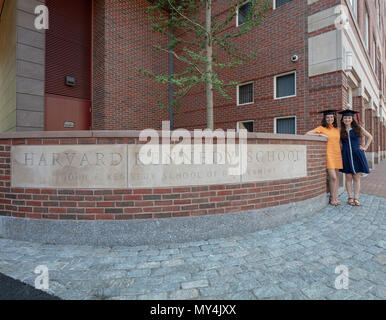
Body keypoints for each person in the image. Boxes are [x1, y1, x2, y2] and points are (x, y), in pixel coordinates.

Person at [306, 110, 343, 206]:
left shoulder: (337, 129)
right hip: (329, 154)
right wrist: (320, 134)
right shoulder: (321, 128)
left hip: (337, 154)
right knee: (333, 177)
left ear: (334, 118)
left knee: (337, 178)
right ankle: (332, 198)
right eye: (327, 117)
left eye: (331, 117)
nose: (330, 119)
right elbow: (307, 134)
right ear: (325, 119)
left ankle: (335, 197)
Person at [338, 109, 373, 206]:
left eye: (349, 117)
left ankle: (356, 198)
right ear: (342, 119)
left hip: (357, 154)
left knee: (356, 177)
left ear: (352, 119)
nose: (347, 119)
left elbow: (370, 137)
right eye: (345, 118)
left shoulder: (358, 128)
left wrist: (365, 147)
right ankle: (350, 198)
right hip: (346, 155)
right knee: (348, 177)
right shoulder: (341, 130)